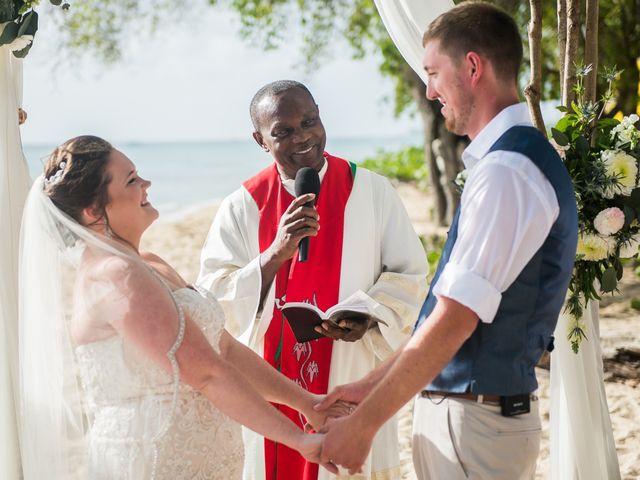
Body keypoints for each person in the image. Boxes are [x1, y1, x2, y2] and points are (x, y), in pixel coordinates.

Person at [316, 3, 578, 479]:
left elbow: (456, 319)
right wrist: (369, 388)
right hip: (471, 417)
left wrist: (366, 425)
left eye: (434, 72)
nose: (430, 89)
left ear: (473, 67)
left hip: (473, 422)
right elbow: (443, 314)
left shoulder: (507, 172)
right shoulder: (510, 161)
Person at [18, 135, 346, 480]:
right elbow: (206, 371)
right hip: (154, 460)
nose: (147, 183)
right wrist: (298, 439)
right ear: (94, 212)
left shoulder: (148, 263)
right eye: (132, 180)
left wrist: (308, 403)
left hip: (201, 458)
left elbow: (224, 349)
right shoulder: (114, 275)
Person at [197, 80, 428, 480]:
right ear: (260, 140)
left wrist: (370, 316)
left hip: (351, 373)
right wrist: (274, 254)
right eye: (283, 131)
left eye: (310, 121)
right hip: (270, 388)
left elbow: (409, 275)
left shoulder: (371, 191)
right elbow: (213, 303)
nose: (302, 137)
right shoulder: (241, 206)